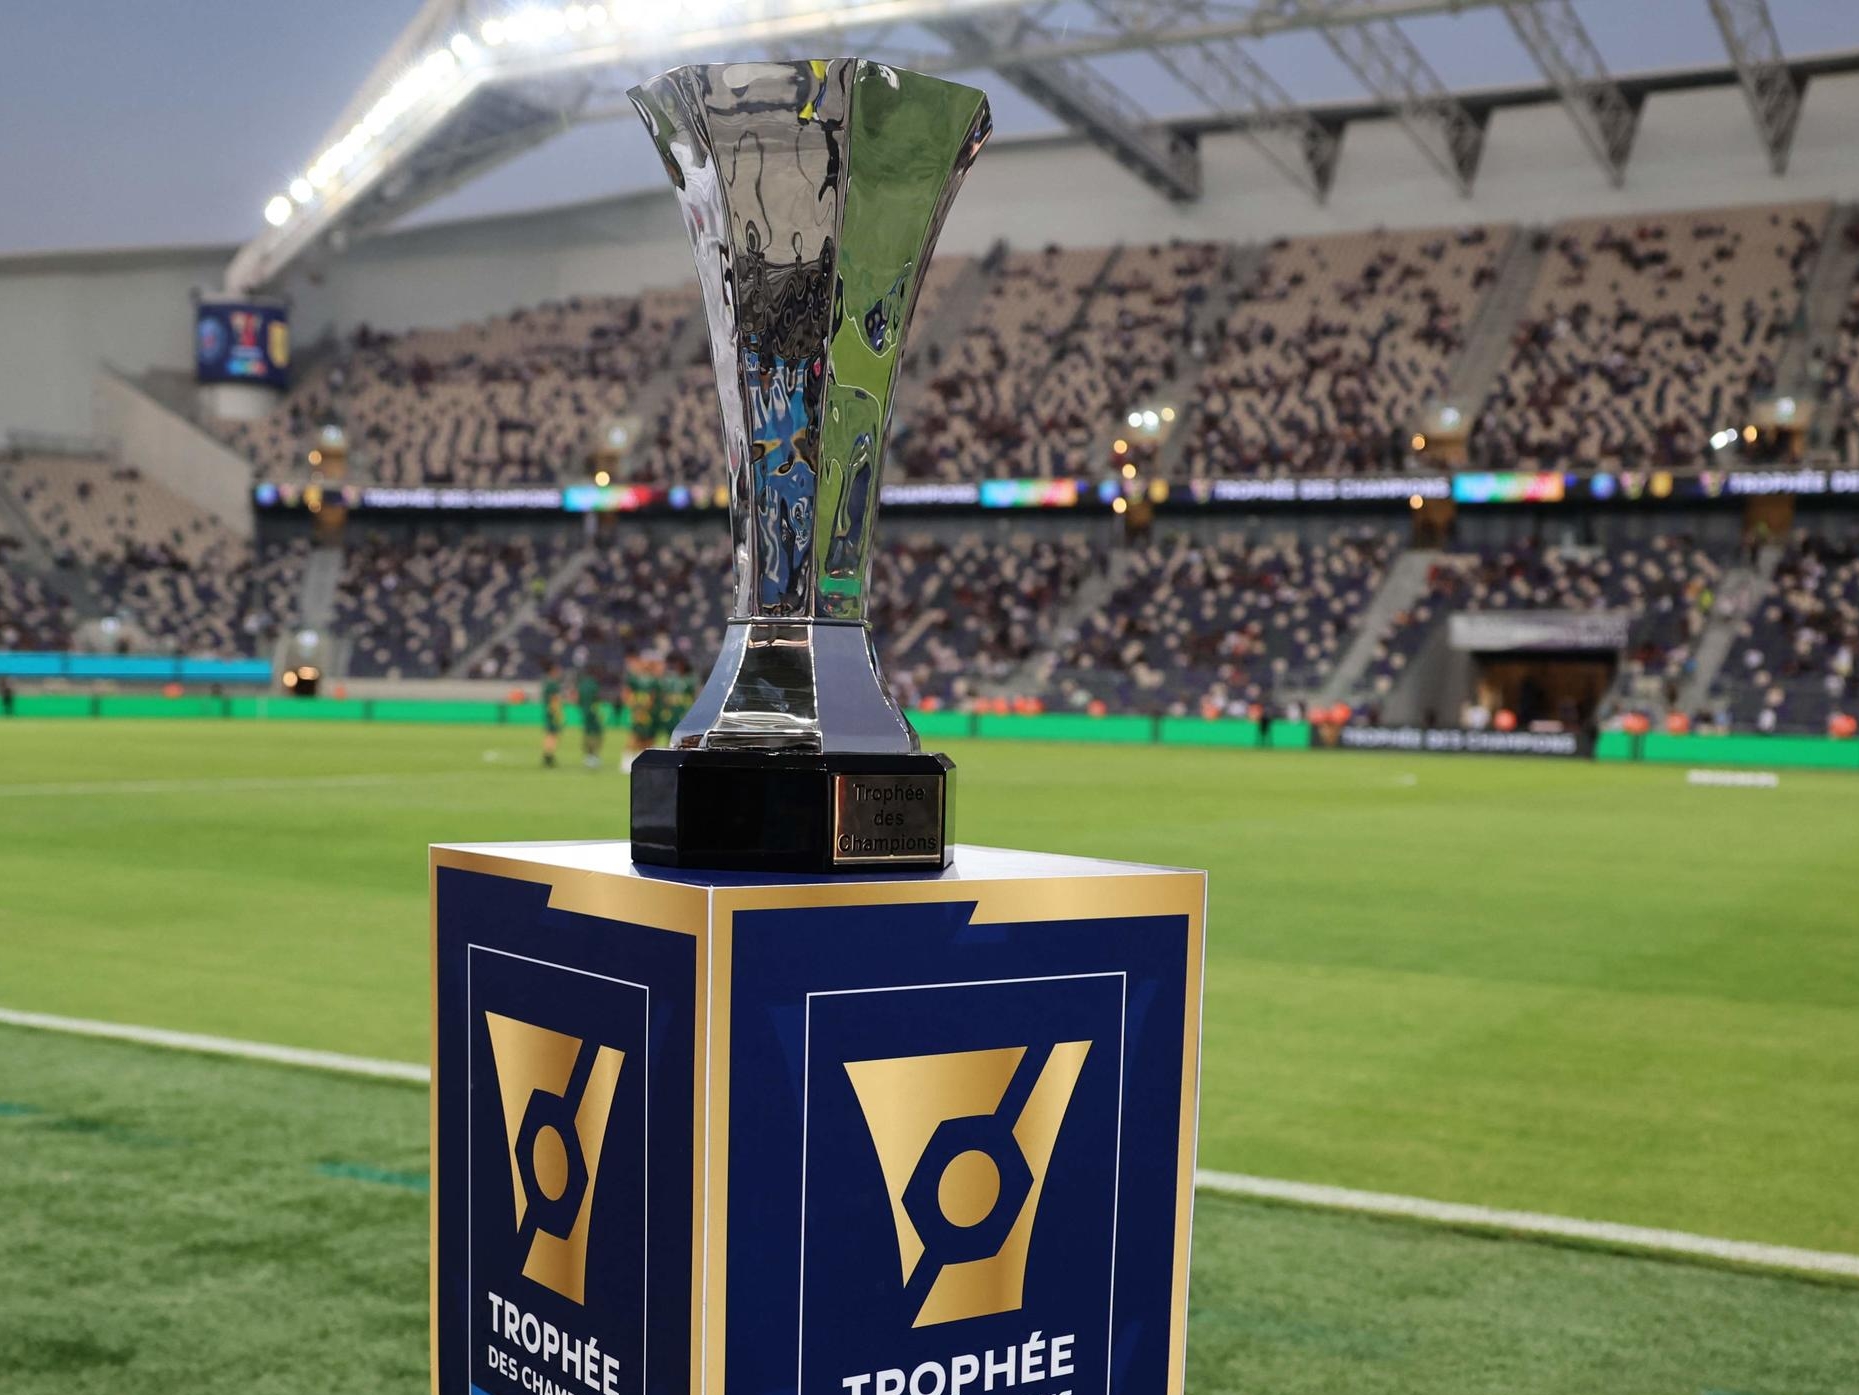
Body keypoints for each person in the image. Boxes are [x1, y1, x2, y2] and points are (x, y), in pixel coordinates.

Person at [577, 668, 605, 771]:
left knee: (587, 734)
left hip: (584, 712)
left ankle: (588, 756)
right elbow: (597, 698)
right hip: (593, 713)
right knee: (597, 734)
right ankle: (593, 755)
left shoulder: (582, 685)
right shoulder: (594, 685)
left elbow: (578, 699)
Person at [540, 663, 565, 768]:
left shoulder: (546, 682)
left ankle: (548, 755)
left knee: (550, 734)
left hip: (548, 711)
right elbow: (554, 699)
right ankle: (548, 757)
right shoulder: (553, 684)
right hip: (553, 712)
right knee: (552, 734)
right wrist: (558, 713)